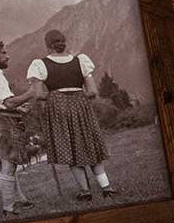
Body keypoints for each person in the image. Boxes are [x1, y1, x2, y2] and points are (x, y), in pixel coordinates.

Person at [26, 28, 116, 201]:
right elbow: (92, 92)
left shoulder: (40, 64)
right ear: (64, 43)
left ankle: (85, 192)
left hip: (58, 109)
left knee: (70, 148)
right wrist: (77, 96)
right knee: (90, 145)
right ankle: (107, 188)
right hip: (81, 107)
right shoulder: (80, 61)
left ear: (47, 45)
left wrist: (55, 96)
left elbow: (38, 95)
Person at [0, 37, 42, 215]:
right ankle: (8, 207)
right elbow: (8, 103)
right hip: (4, 123)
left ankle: (20, 200)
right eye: (3, 53)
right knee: (9, 165)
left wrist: (19, 108)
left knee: (10, 162)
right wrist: (31, 93)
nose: (7, 56)